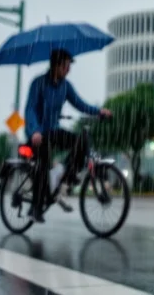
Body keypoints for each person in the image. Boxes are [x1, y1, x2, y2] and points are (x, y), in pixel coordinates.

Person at [24, 49, 111, 223]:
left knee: (81, 141)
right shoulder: (38, 83)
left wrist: (98, 111)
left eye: (69, 66)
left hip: (54, 131)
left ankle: (65, 176)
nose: (68, 69)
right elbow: (30, 109)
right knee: (42, 165)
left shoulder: (65, 86)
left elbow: (80, 104)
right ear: (55, 66)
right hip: (38, 134)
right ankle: (35, 208)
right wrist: (34, 131)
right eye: (66, 66)